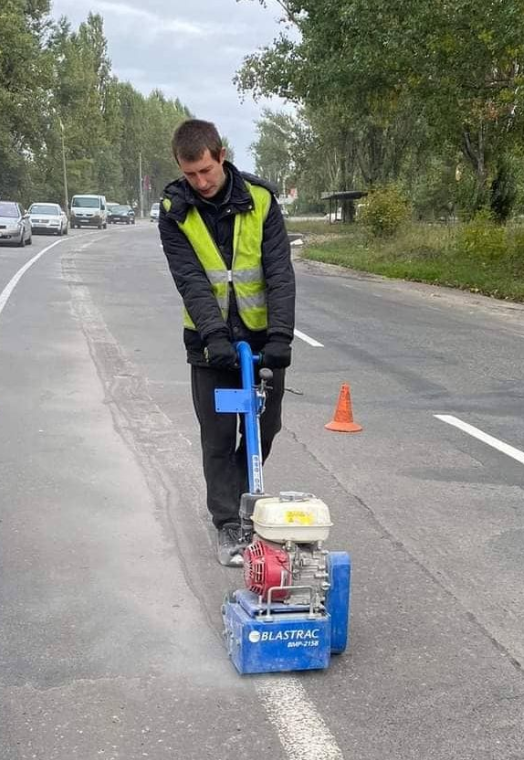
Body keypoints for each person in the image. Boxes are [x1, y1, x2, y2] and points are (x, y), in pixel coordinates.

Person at [157, 119, 295, 566]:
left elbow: (278, 272)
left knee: (264, 429)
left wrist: (281, 336)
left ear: (221, 155)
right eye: (190, 174)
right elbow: (191, 279)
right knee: (217, 437)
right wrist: (214, 336)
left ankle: (241, 500)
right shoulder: (174, 209)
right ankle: (228, 523)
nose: (199, 183)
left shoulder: (261, 200)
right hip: (209, 345)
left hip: (261, 340)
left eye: (205, 172)